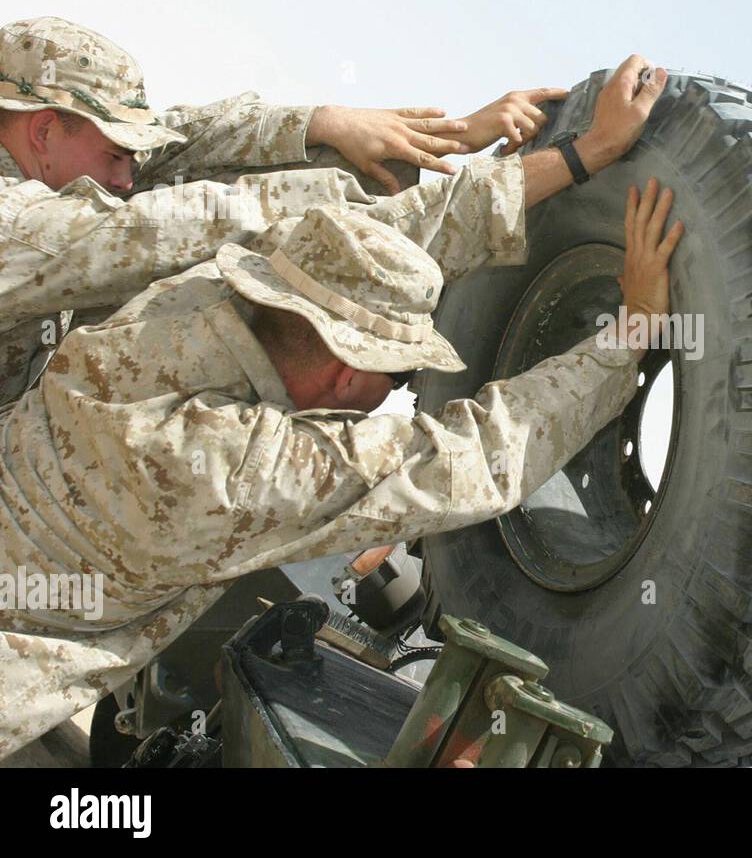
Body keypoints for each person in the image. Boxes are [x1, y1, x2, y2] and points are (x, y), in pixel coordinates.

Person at [0, 171, 683, 759]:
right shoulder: (243, 473)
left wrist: (571, 158)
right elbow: (471, 457)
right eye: (402, 372)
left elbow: (363, 242)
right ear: (344, 370)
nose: (397, 392)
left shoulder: (185, 298)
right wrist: (628, 338)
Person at [0, 15, 587, 406]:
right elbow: (151, 231)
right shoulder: (18, 224)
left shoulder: (46, 160)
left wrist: (442, 134)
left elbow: (188, 138)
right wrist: (338, 208)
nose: (128, 176)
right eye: (114, 152)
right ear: (45, 129)